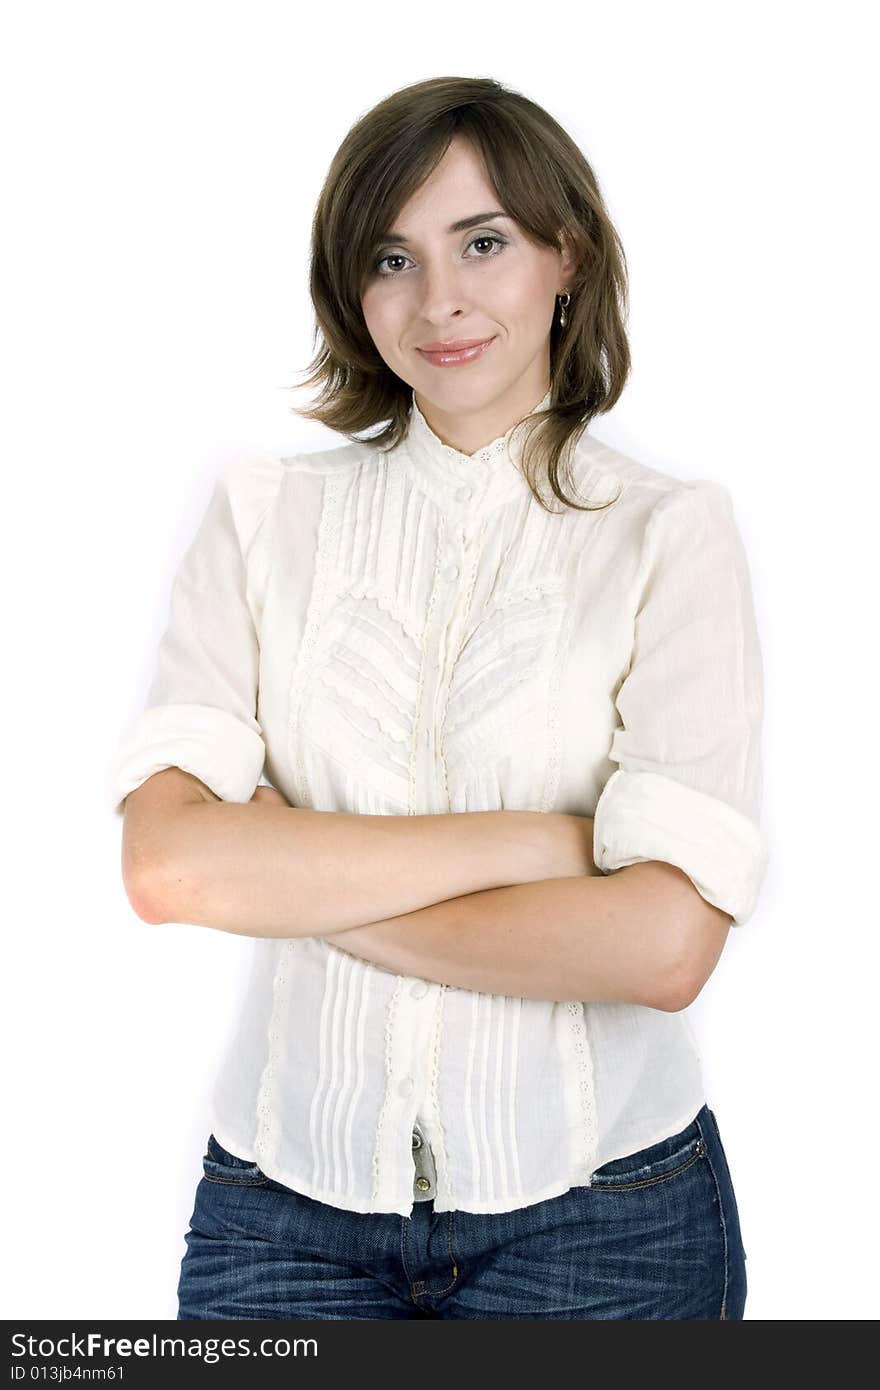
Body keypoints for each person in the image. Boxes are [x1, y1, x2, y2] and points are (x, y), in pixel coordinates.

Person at [109, 75, 768, 1320]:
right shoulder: (264, 517)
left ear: (564, 256)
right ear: (351, 295)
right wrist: (547, 848)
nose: (440, 300)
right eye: (391, 258)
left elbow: (662, 945)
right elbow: (169, 869)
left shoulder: (668, 536)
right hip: (278, 1212)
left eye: (483, 243)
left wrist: (308, 889)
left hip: (604, 1220)